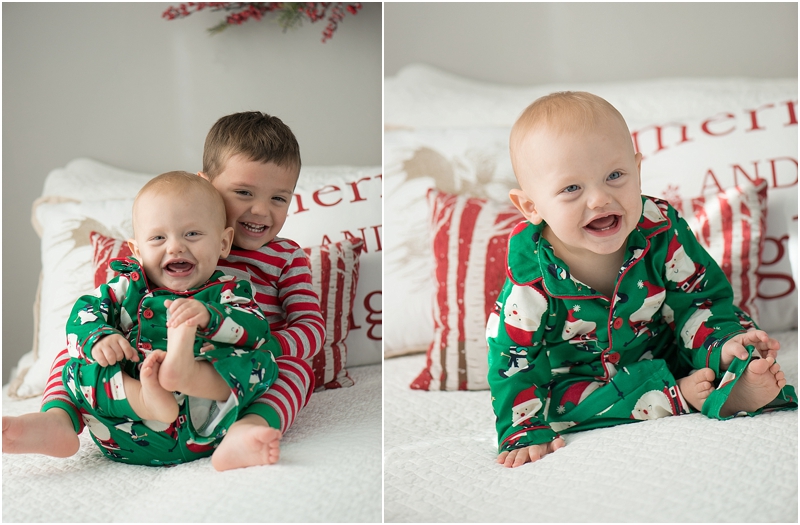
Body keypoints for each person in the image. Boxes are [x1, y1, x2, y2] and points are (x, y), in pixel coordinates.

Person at [487, 91, 797, 468]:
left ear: (637, 169)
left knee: (736, 334)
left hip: (667, 346)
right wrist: (523, 430)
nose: (600, 199)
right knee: (560, 409)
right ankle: (684, 397)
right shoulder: (529, 281)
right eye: (572, 188)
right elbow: (514, 359)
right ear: (532, 207)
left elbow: (698, 298)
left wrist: (721, 342)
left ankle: (737, 377)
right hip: (586, 378)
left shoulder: (660, 228)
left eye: (615, 176)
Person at [4, 112, 324, 471]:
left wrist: (263, 348)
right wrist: (102, 338)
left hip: (226, 385)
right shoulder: (155, 257)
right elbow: (99, 308)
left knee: (294, 369)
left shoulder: (285, 259)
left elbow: (311, 328)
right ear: (208, 184)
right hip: (141, 390)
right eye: (243, 192)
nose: (261, 209)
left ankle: (247, 432)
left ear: (223, 243)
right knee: (74, 350)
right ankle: (57, 421)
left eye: (279, 198)